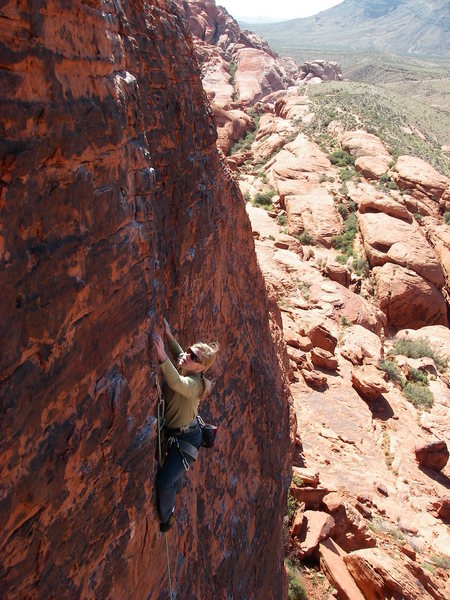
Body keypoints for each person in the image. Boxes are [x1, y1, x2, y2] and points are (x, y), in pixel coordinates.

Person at [152, 319, 219, 532]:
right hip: (179, 434)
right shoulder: (187, 366)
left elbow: (177, 383)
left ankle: (167, 518)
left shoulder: (195, 385)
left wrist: (162, 355)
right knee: (174, 475)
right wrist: (170, 337)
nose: (187, 355)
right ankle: (177, 482)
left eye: (194, 356)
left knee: (164, 483)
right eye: (190, 350)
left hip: (186, 441)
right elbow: (180, 354)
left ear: (201, 368)